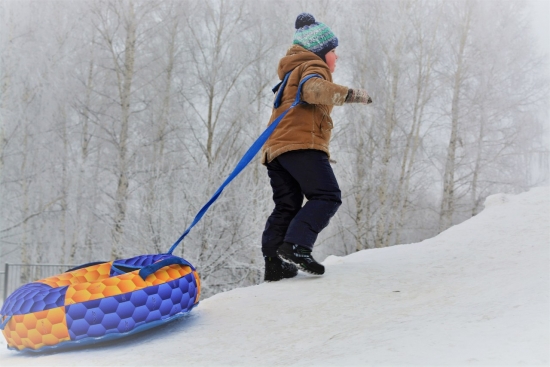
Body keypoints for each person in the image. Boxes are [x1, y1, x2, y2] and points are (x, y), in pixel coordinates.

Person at [261, 12, 372, 282]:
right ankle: (297, 247)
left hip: (276, 150)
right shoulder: (313, 66)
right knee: (327, 195)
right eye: (334, 51)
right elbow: (313, 89)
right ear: (321, 51)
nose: (336, 57)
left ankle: (275, 262)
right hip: (300, 145)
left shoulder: (290, 73)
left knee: (286, 205)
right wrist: (351, 94)